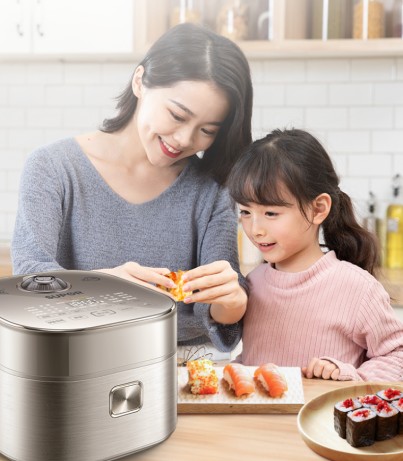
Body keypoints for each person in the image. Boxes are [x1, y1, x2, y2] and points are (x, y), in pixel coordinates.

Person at [11, 23, 253, 354]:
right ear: (140, 81)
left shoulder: (211, 190)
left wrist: (233, 299)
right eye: (177, 115)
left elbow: (218, 309)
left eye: (207, 130)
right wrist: (106, 285)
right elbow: (28, 283)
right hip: (77, 360)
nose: (185, 139)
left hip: (187, 367)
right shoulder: (53, 168)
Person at [227, 128, 403, 381]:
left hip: (321, 420)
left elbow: (396, 355)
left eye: (271, 213)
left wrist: (348, 375)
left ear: (318, 209)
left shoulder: (357, 288)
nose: (255, 229)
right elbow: (254, 361)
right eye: (245, 212)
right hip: (260, 421)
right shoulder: (253, 284)